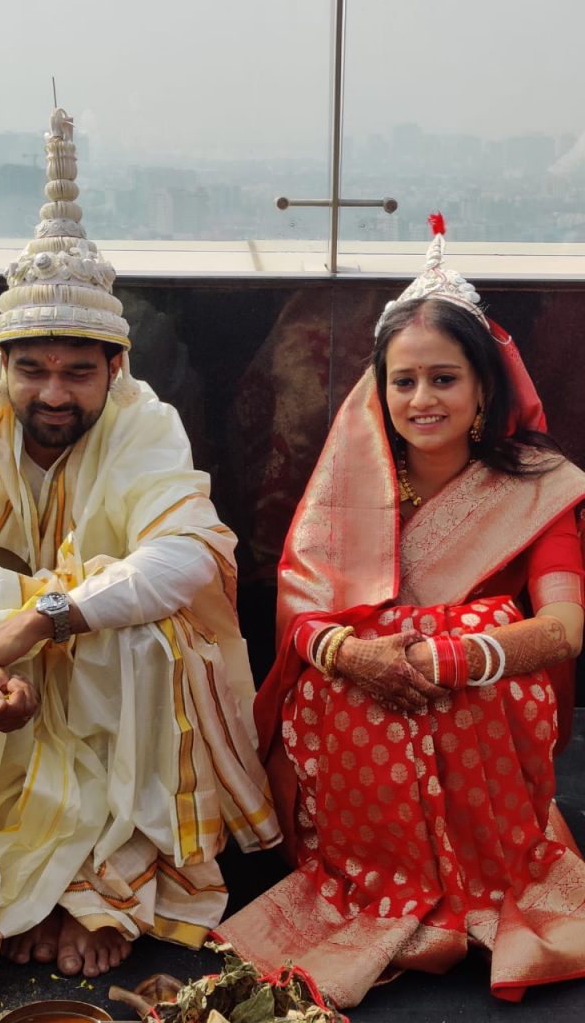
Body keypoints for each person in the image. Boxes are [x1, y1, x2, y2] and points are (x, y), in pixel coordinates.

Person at [0, 109, 281, 995]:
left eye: (78, 372)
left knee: (129, 631)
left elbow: (189, 555)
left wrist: (30, 629)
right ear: (1, 365)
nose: (54, 393)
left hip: (118, 676)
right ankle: (29, 876)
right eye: (33, 369)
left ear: (114, 369)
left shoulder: (143, 422)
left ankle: (90, 880)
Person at [217, 216, 585, 1007]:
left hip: (477, 710)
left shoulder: (538, 487)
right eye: (404, 380)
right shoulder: (348, 488)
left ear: (483, 386)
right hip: (362, 712)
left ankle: (476, 877)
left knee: (476, 637)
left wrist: (448, 654)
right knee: (342, 669)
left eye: (444, 378)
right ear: (377, 391)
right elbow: (304, 618)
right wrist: (362, 657)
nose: (422, 399)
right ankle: (381, 880)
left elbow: (564, 630)